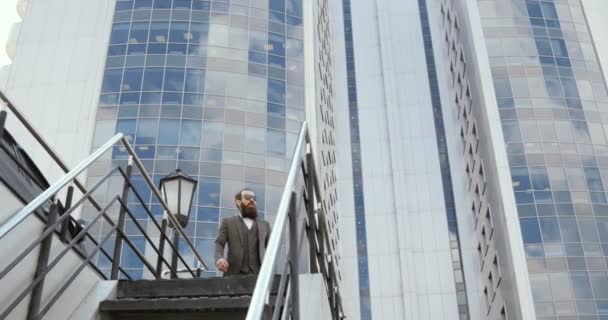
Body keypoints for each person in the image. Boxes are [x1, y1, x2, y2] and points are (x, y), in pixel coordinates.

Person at [214, 188, 271, 276]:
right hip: (233, 274)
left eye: (254, 198)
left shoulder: (265, 225)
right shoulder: (228, 222)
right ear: (238, 202)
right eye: (247, 197)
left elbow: (271, 249)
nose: (252, 200)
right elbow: (219, 243)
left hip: (258, 275)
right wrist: (219, 258)